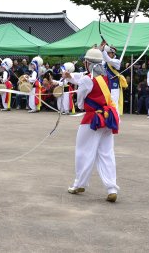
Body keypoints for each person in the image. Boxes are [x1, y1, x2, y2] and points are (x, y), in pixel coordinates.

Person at [65, 47, 120, 203]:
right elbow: (83, 78)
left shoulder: (87, 79)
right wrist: (70, 77)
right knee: (106, 153)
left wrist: (80, 100)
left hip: (92, 119)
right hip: (108, 118)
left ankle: (79, 184)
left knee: (83, 151)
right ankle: (111, 188)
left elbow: (81, 101)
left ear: (88, 63)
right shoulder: (106, 77)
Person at [100, 42, 123, 114]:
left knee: (114, 103)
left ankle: (115, 120)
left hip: (114, 85)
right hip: (106, 85)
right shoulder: (105, 61)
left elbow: (108, 60)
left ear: (113, 53)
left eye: (108, 53)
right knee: (105, 103)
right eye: (107, 53)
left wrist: (103, 50)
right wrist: (100, 48)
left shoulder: (117, 61)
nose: (107, 54)